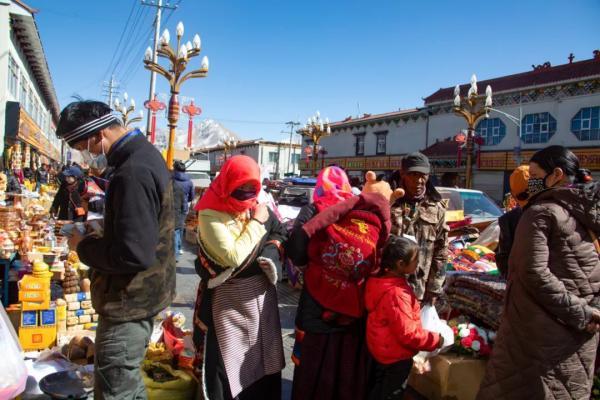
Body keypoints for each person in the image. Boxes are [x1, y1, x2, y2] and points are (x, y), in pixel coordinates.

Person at [57, 100, 175, 400]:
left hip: (128, 301)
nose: (87, 154)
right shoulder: (142, 156)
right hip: (141, 295)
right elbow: (141, 231)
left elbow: (134, 254)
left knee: (115, 389)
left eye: (83, 146)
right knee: (128, 385)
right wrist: (106, 231)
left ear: (97, 135)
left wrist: (82, 246)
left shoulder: (132, 171)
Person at [477, 145, 600, 400]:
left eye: (534, 176)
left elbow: (532, 273)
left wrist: (581, 313)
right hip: (577, 332)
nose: (530, 182)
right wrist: (587, 313)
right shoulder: (585, 211)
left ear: (555, 175)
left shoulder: (540, 212)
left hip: (540, 335)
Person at [288, 166, 391, 400]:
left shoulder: (313, 210)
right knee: (346, 363)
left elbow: (296, 248)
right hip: (355, 305)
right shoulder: (363, 212)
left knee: (313, 364)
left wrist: (311, 267)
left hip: (317, 303)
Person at [193, 155, 286, 400]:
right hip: (228, 301)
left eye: (251, 187)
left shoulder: (258, 202)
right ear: (227, 182)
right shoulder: (210, 212)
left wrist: (268, 255)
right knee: (229, 366)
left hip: (260, 300)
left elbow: (279, 231)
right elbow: (233, 257)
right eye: (241, 187)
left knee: (264, 360)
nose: (246, 193)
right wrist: (257, 222)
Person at [366, 235, 444, 400]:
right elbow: (407, 334)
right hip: (395, 356)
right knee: (390, 393)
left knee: (379, 388)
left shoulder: (381, 282)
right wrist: (435, 340)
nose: (418, 264)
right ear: (401, 264)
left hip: (381, 349)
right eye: (415, 260)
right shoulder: (396, 294)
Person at [390, 152, 448, 303]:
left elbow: (441, 250)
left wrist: (434, 288)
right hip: (388, 287)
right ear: (402, 174)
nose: (419, 180)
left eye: (424, 175)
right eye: (413, 174)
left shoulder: (436, 207)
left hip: (418, 291)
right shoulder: (388, 201)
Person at [495, 166, 529, 278]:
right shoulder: (558, 210)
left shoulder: (508, 219)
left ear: (513, 195)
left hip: (520, 281)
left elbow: (504, 258)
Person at [172, 160, 194, 257]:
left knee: (174, 229)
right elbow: (191, 197)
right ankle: (179, 247)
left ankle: (175, 252)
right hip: (184, 208)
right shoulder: (189, 182)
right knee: (180, 228)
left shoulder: (171, 180)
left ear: (175, 169)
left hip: (172, 207)